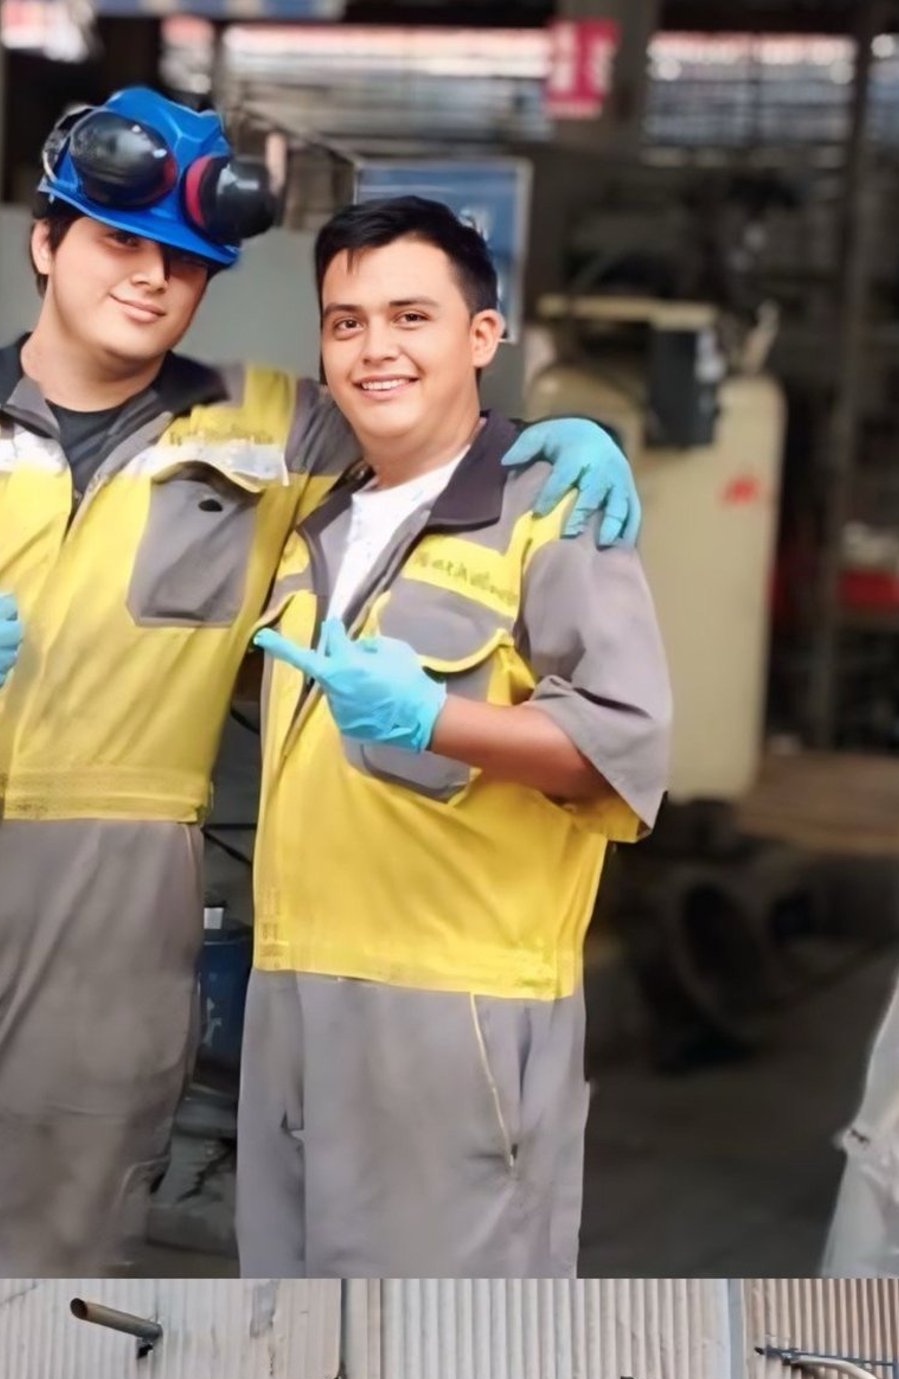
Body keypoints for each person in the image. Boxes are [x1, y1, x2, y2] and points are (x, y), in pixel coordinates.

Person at [0, 88, 640, 1278]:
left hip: (114, 881)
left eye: (186, 263)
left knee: (64, 1232)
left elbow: (419, 425)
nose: (152, 279)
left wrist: (543, 438)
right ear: (47, 244)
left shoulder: (274, 431)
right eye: (119, 244)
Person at [242, 198, 672, 1278]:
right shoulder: (316, 520)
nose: (376, 348)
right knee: (288, 1298)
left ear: (482, 337)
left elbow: (625, 740)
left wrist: (439, 719)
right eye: (346, 323)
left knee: (450, 1315)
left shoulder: (553, 509)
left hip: (457, 1010)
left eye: (411, 316)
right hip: (292, 988)